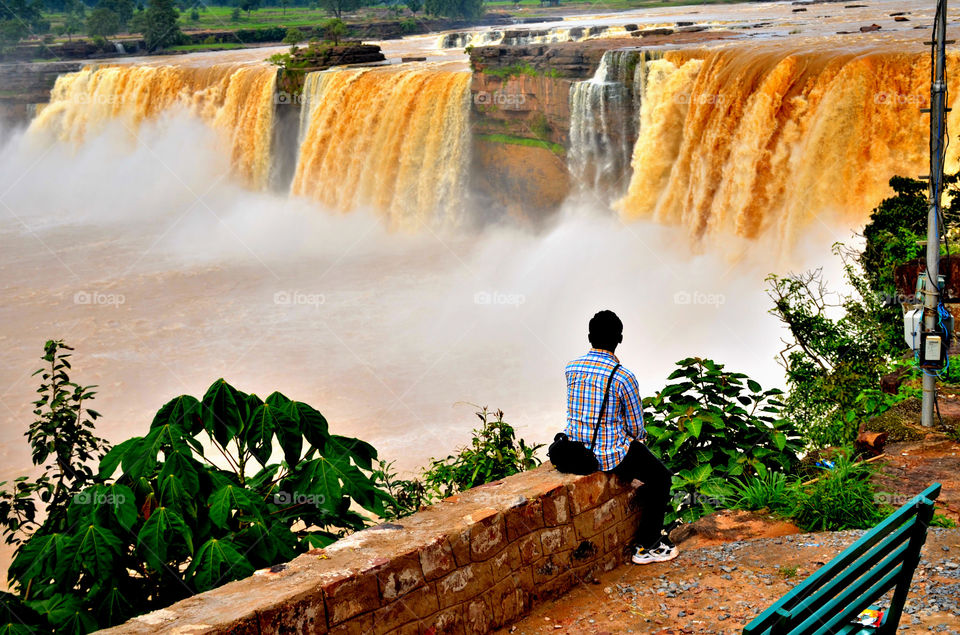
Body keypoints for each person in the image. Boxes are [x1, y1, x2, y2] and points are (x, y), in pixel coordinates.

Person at [564, 310, 677, 564]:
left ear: (589, 337)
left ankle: (649, 542)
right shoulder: (623, 377)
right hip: (608, 454)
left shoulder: (571, 368)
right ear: (620, 339)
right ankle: (648, 545)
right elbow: (637, 428)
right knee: (660, 477)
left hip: (576, 449)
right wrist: (634, 439)